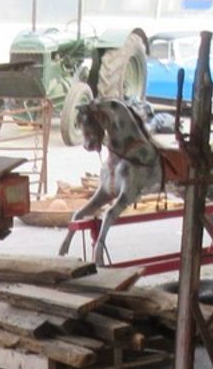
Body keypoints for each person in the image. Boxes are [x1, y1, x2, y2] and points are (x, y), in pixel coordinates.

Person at [61, 97, 162, 266]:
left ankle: (100, 246)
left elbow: (120, 203)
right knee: (81, 212)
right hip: (118, 153)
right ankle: (66, 245)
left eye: (90, 134)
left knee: (110, 211)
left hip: (135, 159)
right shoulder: (110, 165)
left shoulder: (122, 116)